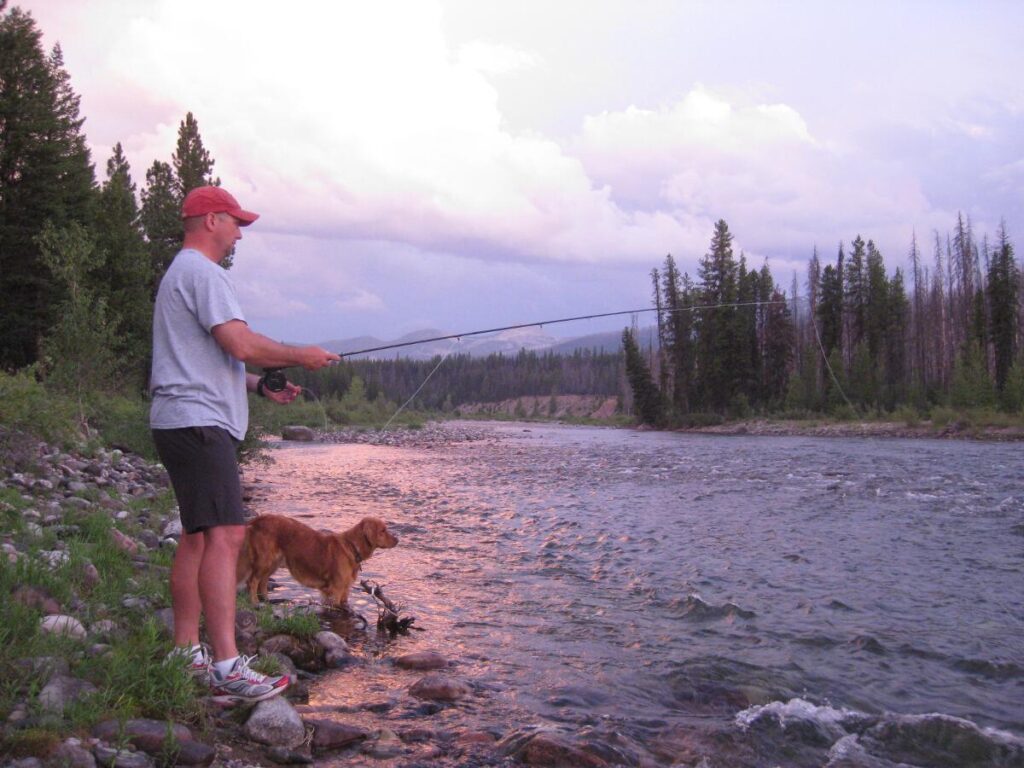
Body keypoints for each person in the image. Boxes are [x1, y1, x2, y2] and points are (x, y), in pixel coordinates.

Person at [150, 186, 340, 703]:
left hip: (180, 420)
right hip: (199, 424)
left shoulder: (180, 273)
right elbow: (237, 342)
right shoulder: (203, 274)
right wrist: (301, 354)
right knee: (228, 536)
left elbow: (205, 359)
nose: (239, 233)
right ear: (210, 220)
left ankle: (186, 651)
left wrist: (260, 385)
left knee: (196, 536)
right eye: (235, 223)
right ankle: (228, 665)